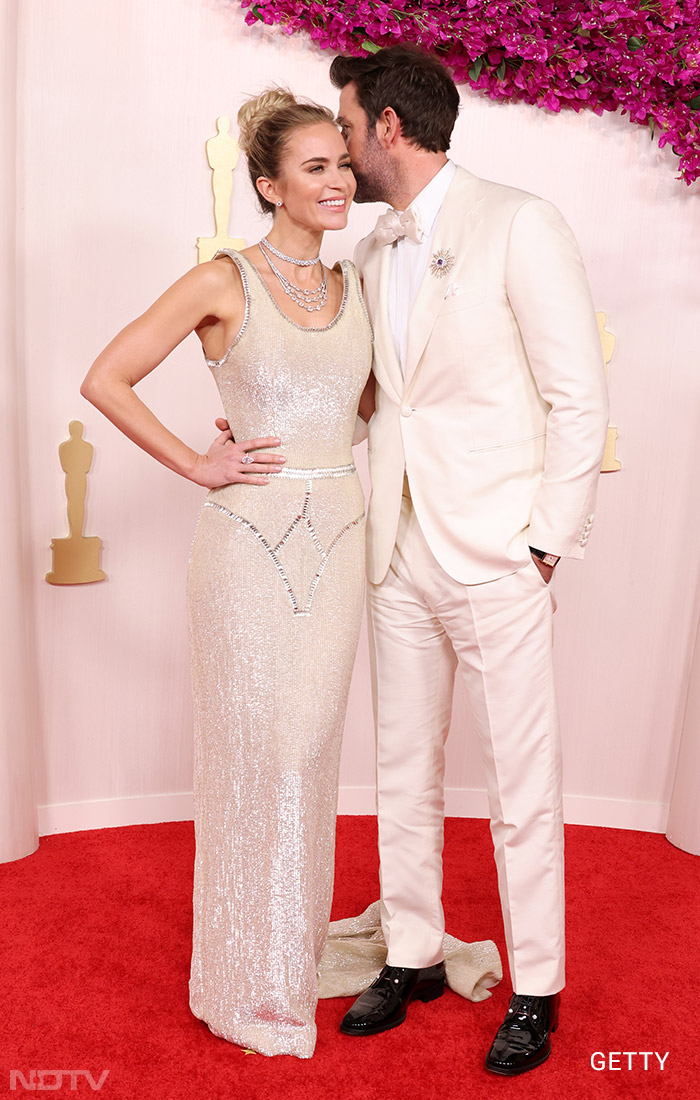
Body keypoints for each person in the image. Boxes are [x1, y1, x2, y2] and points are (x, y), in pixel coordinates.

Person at [330, 46, 609, 1075]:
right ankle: (410, 951)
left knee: (520, 782)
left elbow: (577, 392)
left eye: (349, 124)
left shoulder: (520, 221)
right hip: (396, 545)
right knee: (400, 762)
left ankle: (536, 984)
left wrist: (542, 542)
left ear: (389, 128)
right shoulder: (367, 248)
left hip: (496, 550)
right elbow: (376, 397)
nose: (344, 145)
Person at [81, 89, 373, 1058]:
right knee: (262, 752)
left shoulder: (357, 286)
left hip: (339, 536)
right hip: (246, 550)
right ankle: (246, 975)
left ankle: (286, 948)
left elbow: (362, 408)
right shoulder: (221, 279)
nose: (339, 181)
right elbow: (106, 376)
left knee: (311, 748)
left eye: (343, 163)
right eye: (317, 168)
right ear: (269, 185)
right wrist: (198, 460)